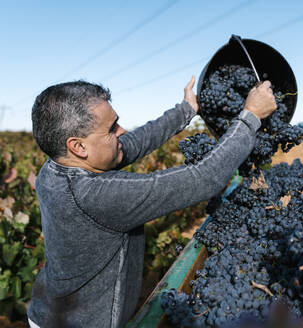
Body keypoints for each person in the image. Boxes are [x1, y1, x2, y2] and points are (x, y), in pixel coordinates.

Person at [27, 76, 277, 327]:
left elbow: (131, 144)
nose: (121, 131)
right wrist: (250, 116)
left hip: (47, 311)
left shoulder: (54, 169)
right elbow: (204, 178)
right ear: (78, 146)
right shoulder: (95, 196)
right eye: (112, 128)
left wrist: (186, 110)